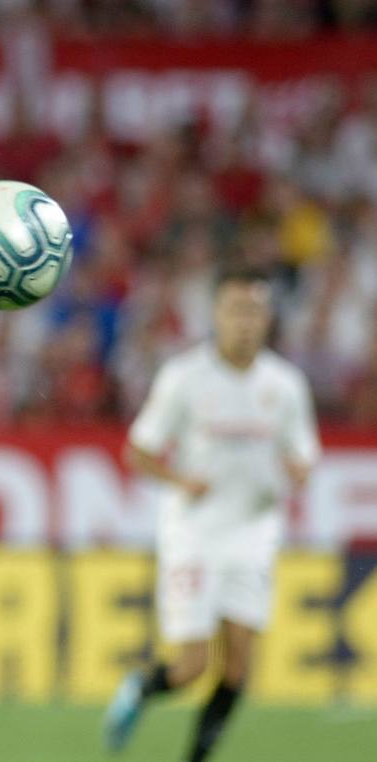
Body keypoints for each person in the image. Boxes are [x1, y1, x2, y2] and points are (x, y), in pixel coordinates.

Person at [103, 266, 320, 761]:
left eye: (255, 311)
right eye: (236, 310)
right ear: (216, 315)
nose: (246, 322)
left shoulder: (285, 385)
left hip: (255, 531)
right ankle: (141, 689)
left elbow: (303, 456)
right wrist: (182, 482)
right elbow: (138, 452)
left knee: (239, 667)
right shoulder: (184, 378)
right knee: (191, 667)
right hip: (195, 532)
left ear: (268, 320)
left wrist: (299, 470)